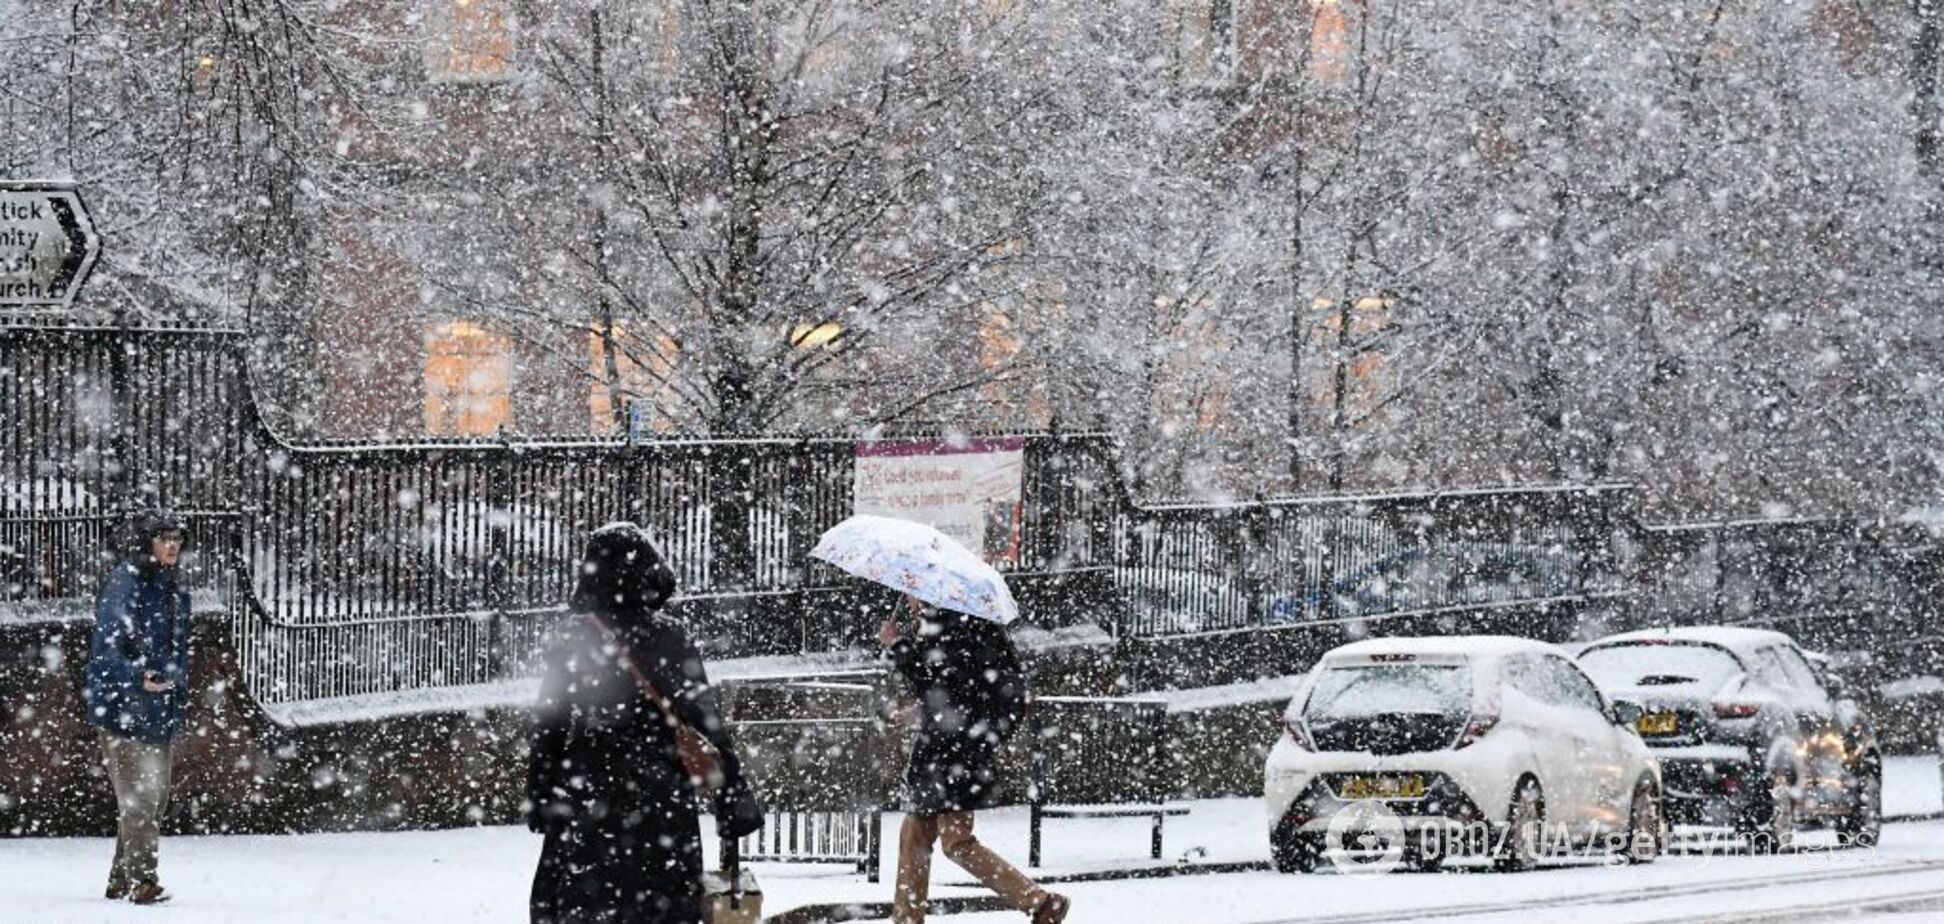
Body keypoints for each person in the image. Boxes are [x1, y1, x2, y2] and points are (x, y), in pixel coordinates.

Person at [527, 522, 764, 924]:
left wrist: (541, 790)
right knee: (659, 905)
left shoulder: (572, 639)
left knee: (587, 904)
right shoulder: (670, 637)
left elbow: (550, 724)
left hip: (589, 789)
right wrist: (732, 800)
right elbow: (705, 722)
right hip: (661, 796)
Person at [882, 596, 1068, 924]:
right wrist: (921, 709)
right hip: (951, 753)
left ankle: (1039, 902)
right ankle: (907, 919)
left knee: (954, 842)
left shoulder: (950, 625)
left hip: (952, 756)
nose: (906, 598)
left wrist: (897, 645)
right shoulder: (961, 624)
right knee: (916, 836)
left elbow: (943, 683)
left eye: (910, 591)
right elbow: (956, 692)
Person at [83, 510, 192, 905]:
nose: (172, 546)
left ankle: (119, 878)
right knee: (141, 799)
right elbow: (106, 648)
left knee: (153, 798)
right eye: (164, 539)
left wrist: (173, 689)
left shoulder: (173, 587)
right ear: (147, 542)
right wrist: (136, 678)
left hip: (157, 707)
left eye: (178, 539)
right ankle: (142, 881)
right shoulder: (125, 583)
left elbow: (177, 650)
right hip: (122, 708)